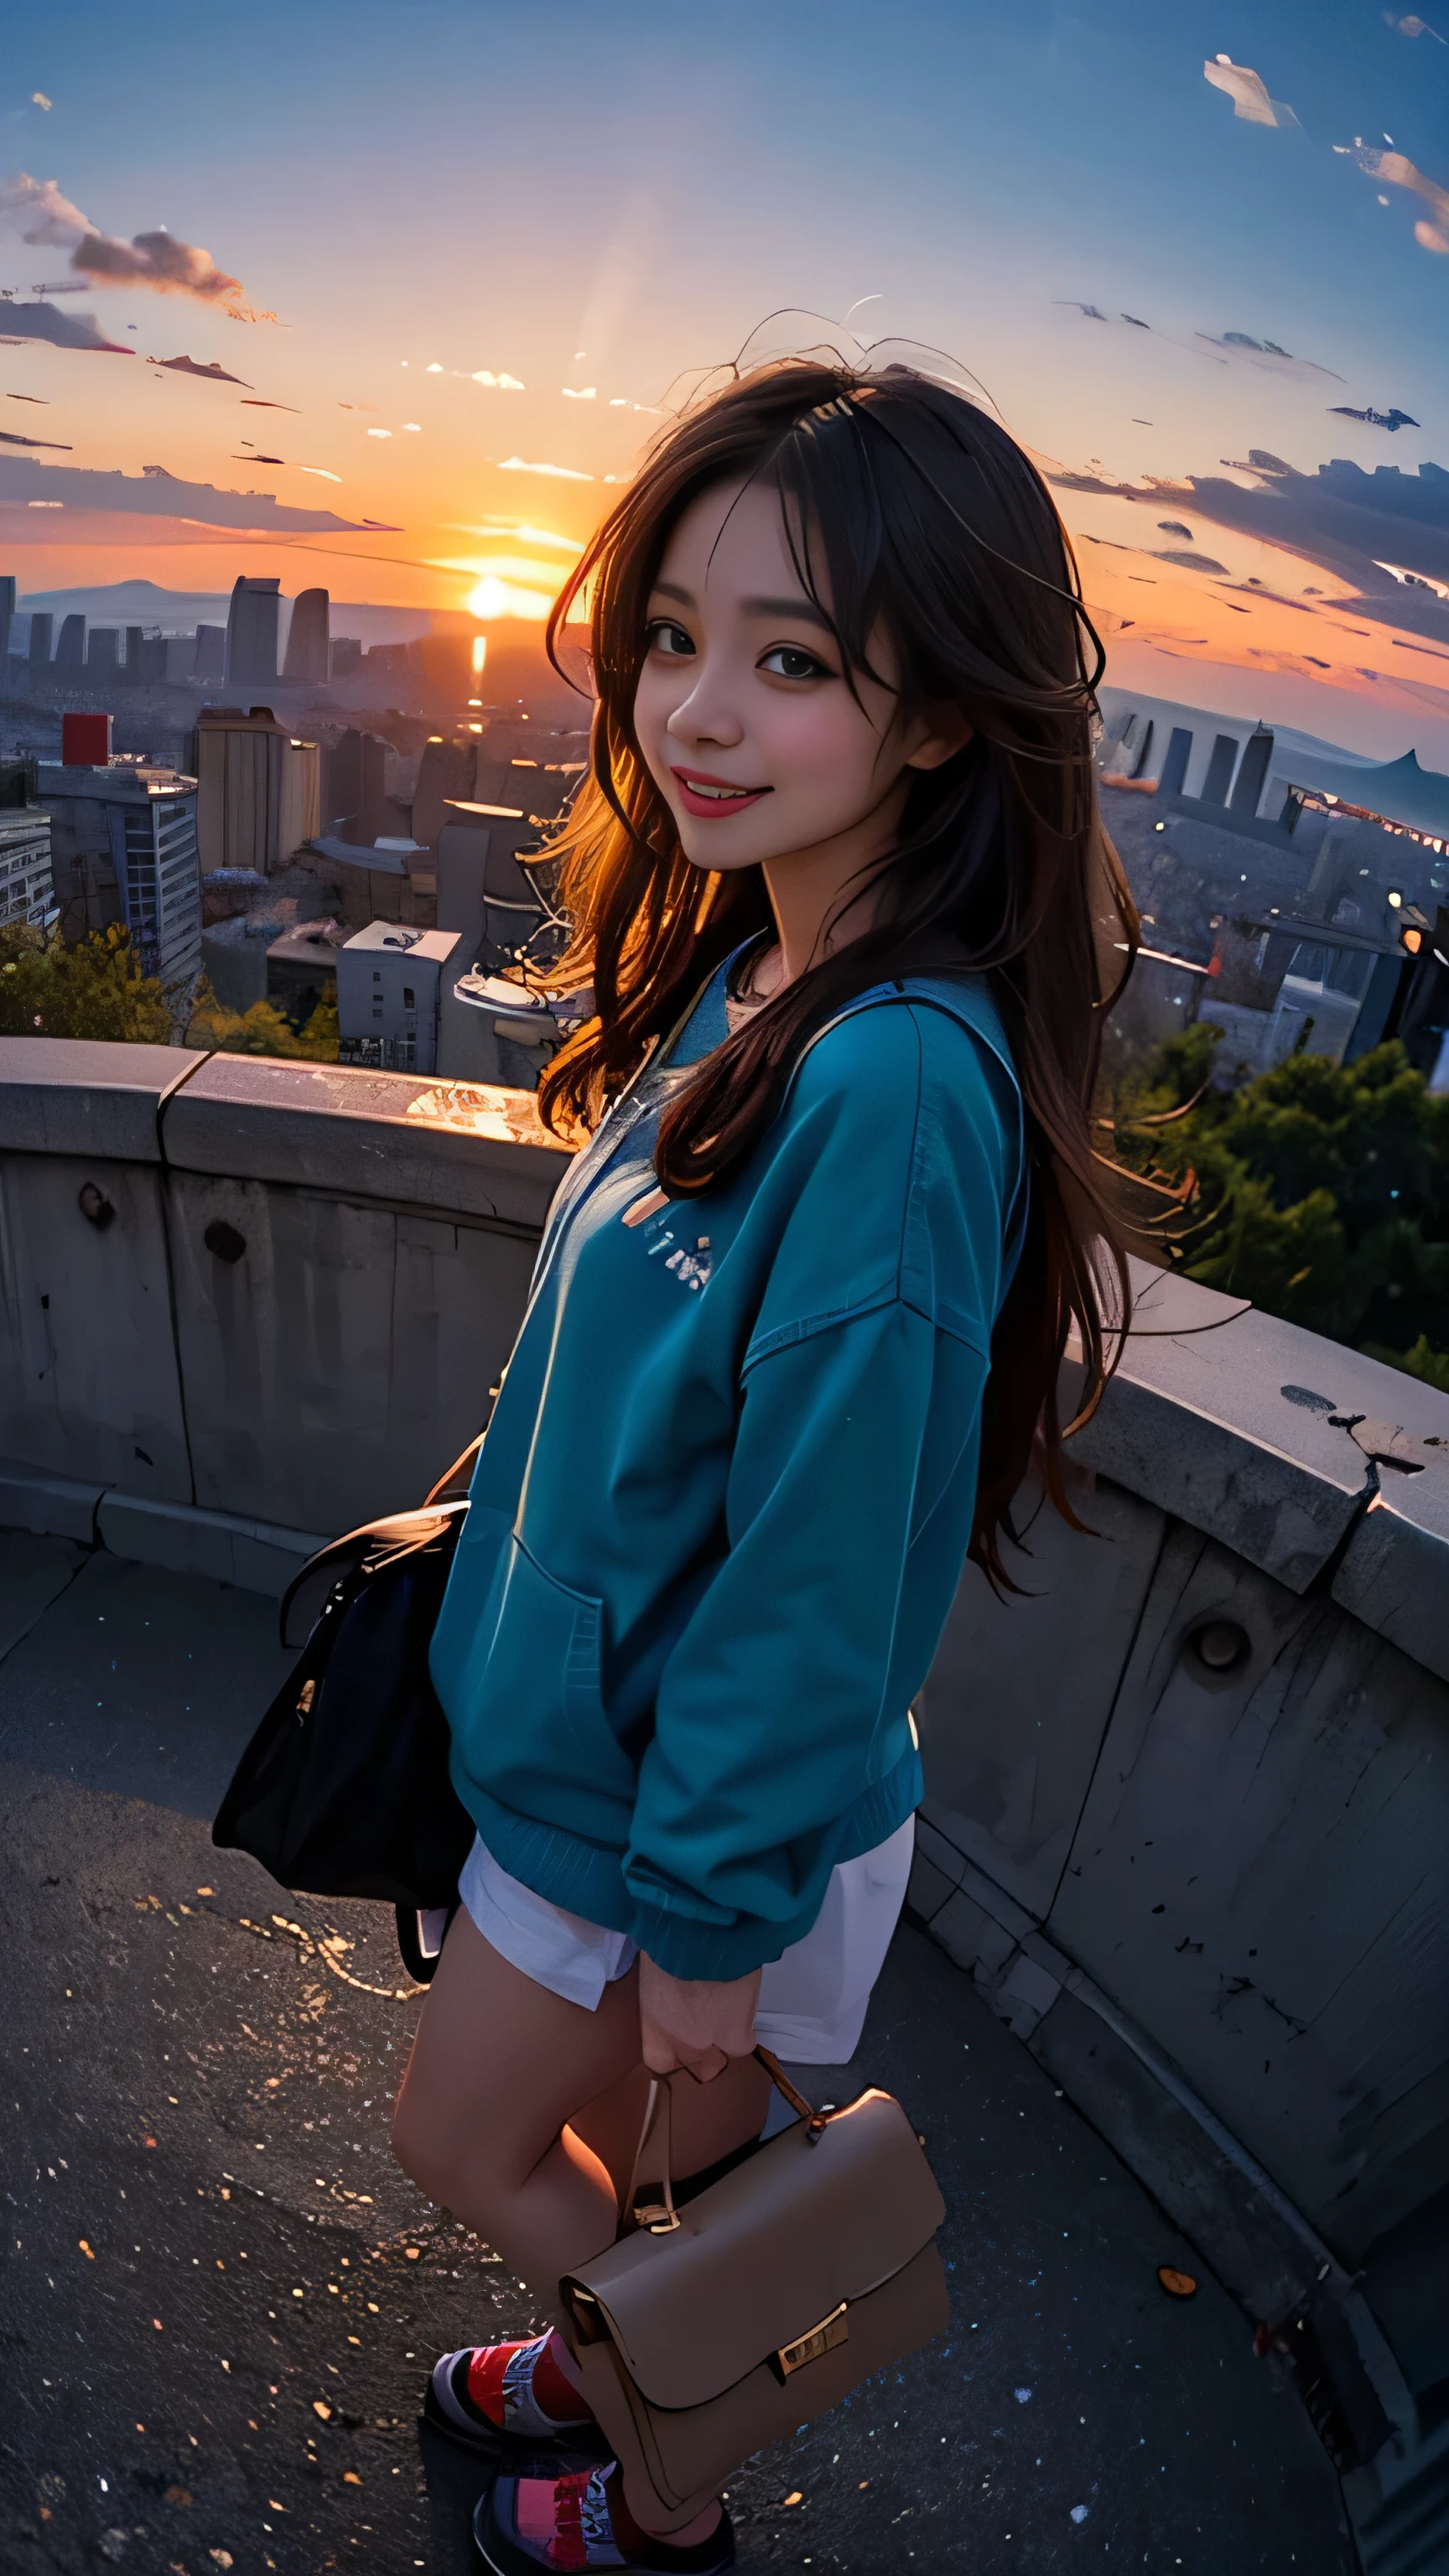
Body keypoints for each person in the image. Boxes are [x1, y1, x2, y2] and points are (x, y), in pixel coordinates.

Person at [391, 351, 1135, 2573]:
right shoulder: (764, 979)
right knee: (640, 2177)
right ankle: (628, 2346)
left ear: (933, 720)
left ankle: (667, 2473)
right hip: (602, 1762)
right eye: (677, 640)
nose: (694, 712)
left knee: (488, 2143)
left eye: (789, 661)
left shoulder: (896, 1087)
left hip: (674, 1823)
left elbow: (820, 1572)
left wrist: (710, 1930)